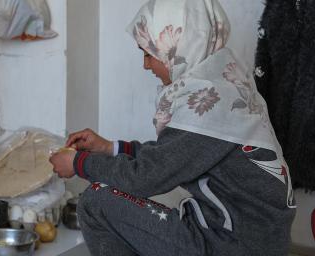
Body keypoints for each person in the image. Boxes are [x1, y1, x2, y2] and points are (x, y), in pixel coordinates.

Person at [48, 0, 296, 255]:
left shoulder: (209, 105)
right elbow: (170, 156)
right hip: (250, 240)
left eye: (148, 54)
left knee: (95, 200)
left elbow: (145, 178)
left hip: (229, 245)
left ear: (178, 49)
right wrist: (108, 148)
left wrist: (79, 163)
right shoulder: (224, 86)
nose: (146, 65)